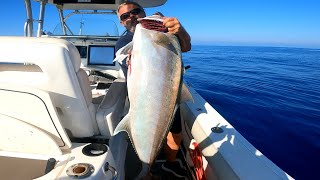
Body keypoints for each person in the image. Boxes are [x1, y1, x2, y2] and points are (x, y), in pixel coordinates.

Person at [116, 2, 191, 178]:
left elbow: (186, 47)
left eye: (135, 11)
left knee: (176, 133)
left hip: (169, 95)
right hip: (144, 99)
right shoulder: (124, 41)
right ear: (121, 23)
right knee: (145, 135)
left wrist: (180, 31)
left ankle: (170, 163)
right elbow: (125, 60)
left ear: (143, 12)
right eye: (125, 16)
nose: (131, 16)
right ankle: (147, 170)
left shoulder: (167, 31)